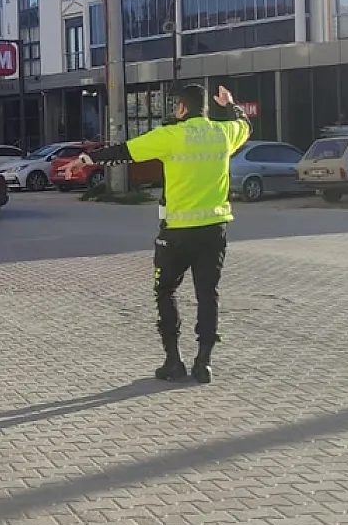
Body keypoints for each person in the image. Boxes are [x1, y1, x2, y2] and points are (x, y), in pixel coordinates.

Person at [69, 84, 249, 383]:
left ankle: (173, 362)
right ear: (206, 108)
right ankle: (203, 362)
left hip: (177, 233)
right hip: (214, 231)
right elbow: (245, 125)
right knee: (208, 294)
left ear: (182, 108)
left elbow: (125, 152)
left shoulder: (170, 136)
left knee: (166, 292)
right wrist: (230, 104)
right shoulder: (224, 133)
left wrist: (87, 159)